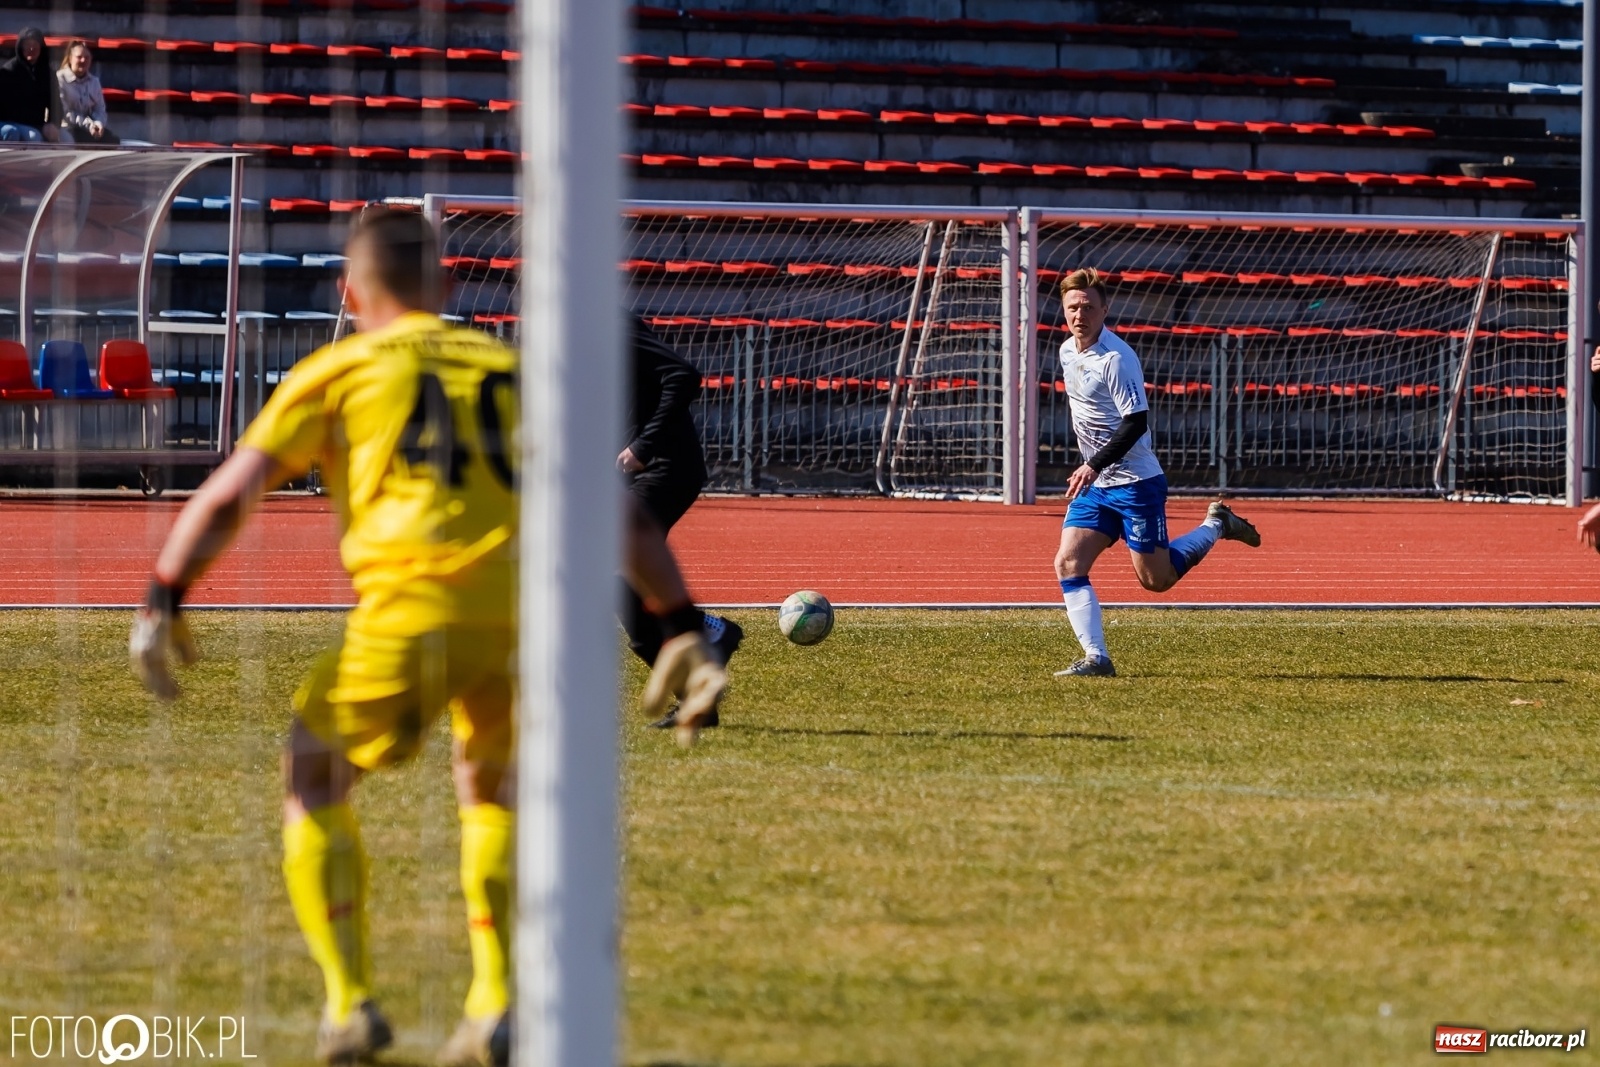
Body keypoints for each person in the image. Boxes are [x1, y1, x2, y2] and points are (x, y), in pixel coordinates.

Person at [127, 208, 724, 1065]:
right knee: (490, 789)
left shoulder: (341, 368)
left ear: (349, 294)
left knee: (312, 775)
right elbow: (617, 515)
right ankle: (494, 1000)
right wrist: (680, 624)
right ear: (444, 287)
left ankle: (349, 1002)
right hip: (521, 621)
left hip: (411, 609)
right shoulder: (509, 369)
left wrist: (164, 595)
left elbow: (229, 494)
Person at [1052, 267, 1261, 676]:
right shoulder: (1066, 351)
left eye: (1089, 307)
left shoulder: (1116, 359)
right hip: (1097, 485)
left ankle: (1217, 524)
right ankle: (1097, 658)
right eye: (1073, 307)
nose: (1080, 314)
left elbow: (1135, 422)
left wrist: (1092, 463)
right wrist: (1094, 468)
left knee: (1156, 580)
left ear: (1105, 310)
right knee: (1068, 562)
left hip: (1135, 484)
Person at [622, 315, 742, 730]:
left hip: (666, 467)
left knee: (618, 576)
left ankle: (707, 645)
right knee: (620, 583)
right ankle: (704, 659)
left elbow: (683, 374)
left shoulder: (610, 323)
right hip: (634, 473)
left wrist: (642, 446)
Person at [0, 27, 58, 142]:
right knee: (34, 137)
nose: (31, 48)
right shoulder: (8, 71)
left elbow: (55, 103)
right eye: (27, 45)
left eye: (35, 45)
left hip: (39, 123)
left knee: (66, 137)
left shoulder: (48, 72)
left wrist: (52, 123)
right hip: (13, 122)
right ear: (20, 47)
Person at [55, 39, 117, 144]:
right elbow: (65, 113)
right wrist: (89, 125)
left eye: (87, 57)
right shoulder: (60, 79)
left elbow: (100, 109)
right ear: (70, 58)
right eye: (79, 57)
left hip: (90, 128)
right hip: (67, 127)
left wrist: (98, 123)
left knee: (113, 141)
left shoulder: (94, 81)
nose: (83, 60)